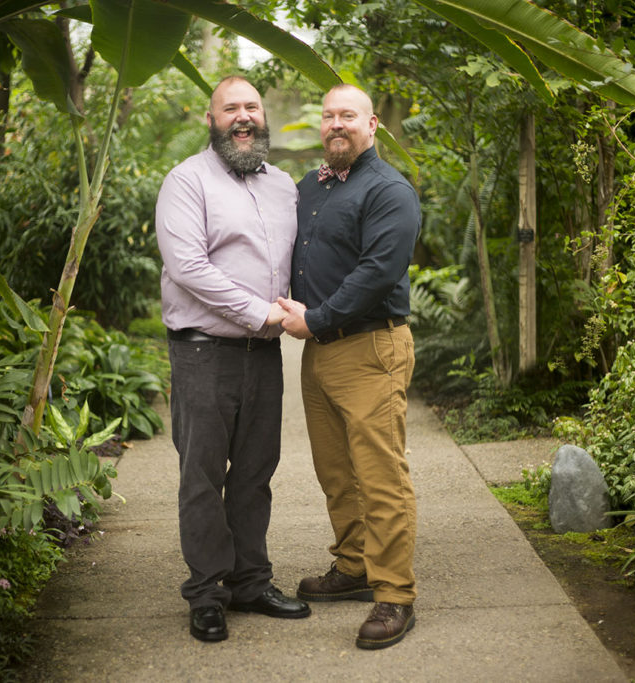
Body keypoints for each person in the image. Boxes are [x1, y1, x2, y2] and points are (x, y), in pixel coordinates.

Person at [154, 75, 311, 643]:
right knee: (201, 475)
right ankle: (207, 592)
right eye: (231, 109)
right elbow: (188, 267)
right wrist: (261, 312)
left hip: (263, 357)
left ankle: (251, 581)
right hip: (203, 353)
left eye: (251, 107)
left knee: (253, 473)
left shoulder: (284, 186)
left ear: (262, 116)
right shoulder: (186, 182)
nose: (243, 117)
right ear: (211, 118)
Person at [278, 83, 422, 650]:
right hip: (321, 352)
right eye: (329, 116)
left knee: (380, 476)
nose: (337, 124)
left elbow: (378, 272)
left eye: (349, 116)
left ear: (372, 125)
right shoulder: (309, 187)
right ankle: (354, 567)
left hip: (370, 348)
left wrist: (315, 318)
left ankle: (395, 596)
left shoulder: (390, 191)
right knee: (336, 473)